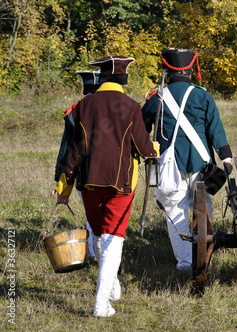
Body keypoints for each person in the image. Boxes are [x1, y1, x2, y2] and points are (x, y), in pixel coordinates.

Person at [52, 55, 160, 317]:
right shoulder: (132, 106)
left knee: (99, 235)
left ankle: (111, 285)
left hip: (87, 180)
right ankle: (101, 303)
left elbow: (72, 151)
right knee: (114, 238)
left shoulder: (82, 105)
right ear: (122, 79)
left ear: (101, 77)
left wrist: (63, 189)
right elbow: (145, 148)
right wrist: (155, 148)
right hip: (121, 181)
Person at [141, 49, 233, 271]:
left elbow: (142, 131)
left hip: (169, 165)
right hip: (202, 164)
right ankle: (204, 255)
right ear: (191, 70)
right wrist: (226, 157)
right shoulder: (203, 96)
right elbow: (215, 130)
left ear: (167, 70)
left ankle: (185, 263)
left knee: (175, 209)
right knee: (204, 207)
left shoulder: (157, 98)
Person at [51, 70, 100, 262]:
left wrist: (60, 181)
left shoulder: (76, 110)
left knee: (92, 213)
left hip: (82, 172)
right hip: (115, 172)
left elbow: (66, 148)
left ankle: (95, 253)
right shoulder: (114, 107)